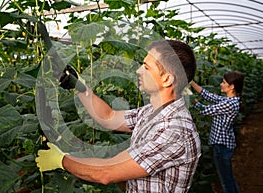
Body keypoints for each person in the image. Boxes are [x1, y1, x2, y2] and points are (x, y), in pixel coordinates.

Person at [36, 39, 201, 192]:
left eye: (146, 67)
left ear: (166, 79)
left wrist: (61, 160)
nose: (139, 70)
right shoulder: (152, 112)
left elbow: (106, 173)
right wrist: (80, 86)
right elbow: (108, 117)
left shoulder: (174, 129)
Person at [190, 71, 244, 193]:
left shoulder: (230, 104)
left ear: (232, 87)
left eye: (224, 82)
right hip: (222, 146)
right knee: (227, 178)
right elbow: (209, 96)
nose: (220, 84)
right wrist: (191, 82)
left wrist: (189, 96)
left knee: (225, 180)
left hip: (222, 147)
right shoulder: (229, 100)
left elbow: (204, 110)